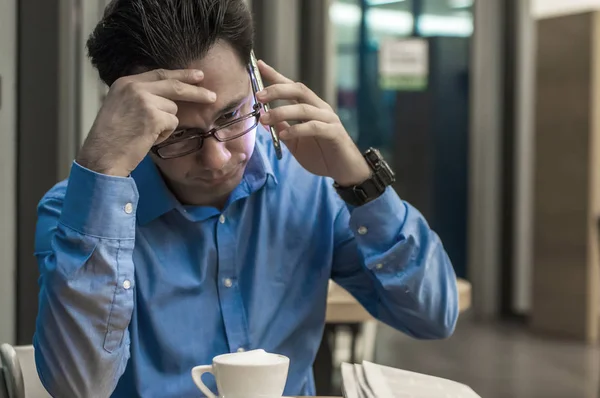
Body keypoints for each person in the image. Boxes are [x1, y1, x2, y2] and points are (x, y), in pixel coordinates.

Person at [33, 0, 459, 396]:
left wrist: (360, 182)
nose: (217, 158)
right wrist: (101, 169)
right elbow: (78, 388)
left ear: (256, 78)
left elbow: (432, 316)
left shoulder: (311, 188)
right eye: (179, 135)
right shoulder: (77, 213)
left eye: (232, 115)